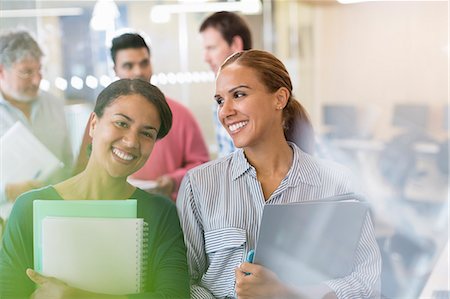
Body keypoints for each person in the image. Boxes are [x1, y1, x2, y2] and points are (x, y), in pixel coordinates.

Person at [176, 50, 381, 299]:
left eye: (239, 95)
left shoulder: (338, 182)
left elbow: (367, 282)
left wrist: (289, 294)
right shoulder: (199, 185)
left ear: (280, 98)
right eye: (220, 100)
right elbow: (184, 282)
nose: (225, 111)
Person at [0, 79, 190, 298]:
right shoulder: (29, 208)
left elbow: (174, 295)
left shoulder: (160, 212)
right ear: (93, 124)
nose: (131, 142)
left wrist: (75, 296)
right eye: (121, 123)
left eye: (146, 134)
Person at [74, 32, 209, 200]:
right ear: (115, 70)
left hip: (166, 210)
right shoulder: (102, 117)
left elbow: (203, 166)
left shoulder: (180, 115)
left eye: (144, 63)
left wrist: (173, 181)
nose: (138, 71)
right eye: (128, 66)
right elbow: (81, 168)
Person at [0, 30, 72, 203]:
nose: (36, 80)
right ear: (2, 71)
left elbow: (68, 163)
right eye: (26, 72)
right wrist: (6, 191)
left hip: (54, 211)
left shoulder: (54, 105)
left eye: (39, 70)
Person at [199, 11, 252, 157]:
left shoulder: (267, 94)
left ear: (235, 45)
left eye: (211, 48)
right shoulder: (219, 102)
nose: (206, 58)